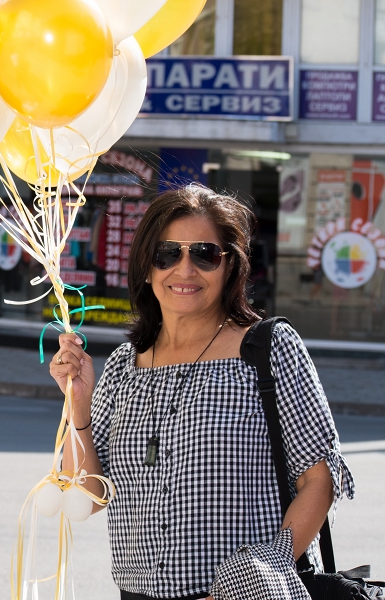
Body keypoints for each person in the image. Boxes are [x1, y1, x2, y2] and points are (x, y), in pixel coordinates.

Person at [49, 184, 354, 600]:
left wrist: (262, 572)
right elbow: (89, 494)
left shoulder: (267, 349)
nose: (185, 269)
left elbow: (320, 480)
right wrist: (77, 404)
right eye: (168, 253)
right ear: (146, 266)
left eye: (205, 254)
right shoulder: (124, 364)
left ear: (230, 266)